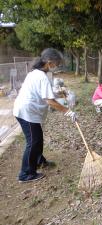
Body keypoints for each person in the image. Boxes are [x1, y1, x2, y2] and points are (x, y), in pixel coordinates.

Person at [13, 48, 77, 183]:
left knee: (37, 139)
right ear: (49, 62)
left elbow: (45, 93)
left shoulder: (36, 73)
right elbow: (49, 101)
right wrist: (67, 111)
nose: (57, 66)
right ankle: (25, 174)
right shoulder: (41, 76)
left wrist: (60, 93)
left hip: (27, 111)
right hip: (27, 113)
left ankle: (39, 161)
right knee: (33, 142)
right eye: (57, 63)